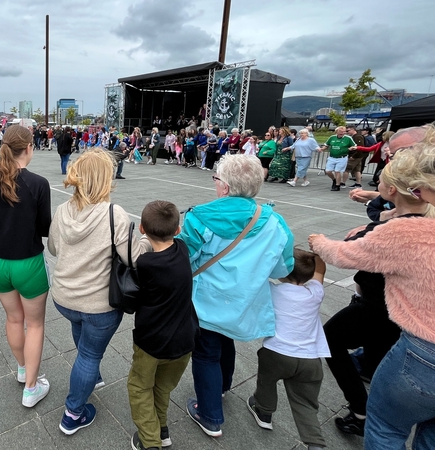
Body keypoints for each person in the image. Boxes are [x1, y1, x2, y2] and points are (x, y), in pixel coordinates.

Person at [309, 145, 435, 450]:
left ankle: (361, 410)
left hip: (404, 325)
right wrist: (377, 215)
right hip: (402, 319)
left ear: (393, 189)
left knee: (330, 339)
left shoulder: (398, 233)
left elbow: (341, 254)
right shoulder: (420, 218)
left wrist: (318, 240)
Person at [179, 154, 295, 438]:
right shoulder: (274, 221)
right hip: (244, 302)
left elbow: (185, 259)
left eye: (217, 178)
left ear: (226, 187)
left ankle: (209, 415)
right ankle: (223, 386)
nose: (216, 183)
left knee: (206, 353)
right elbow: (284, 267)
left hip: (206, 301)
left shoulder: (200, 217)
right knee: (225, 340)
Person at [48, 149, 151, 435]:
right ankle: (73, 413)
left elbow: (53, 248)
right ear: (105, 179)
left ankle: (91, 377)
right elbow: (132, 258)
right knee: (90, 355)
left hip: (65, 298)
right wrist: (144, 238)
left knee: (84, 342)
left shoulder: (63, 209)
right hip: (98, 303)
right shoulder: (113, 213)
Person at [0, 125, 51, 408]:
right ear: (29, 147)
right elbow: (45, 228)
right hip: (29, 263)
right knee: (34, 325)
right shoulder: (38, 183)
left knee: (13, 320)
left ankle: (23, 369)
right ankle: (31, 388)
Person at [127, 201, 198, 450]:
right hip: (184, 341)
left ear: (143, 229)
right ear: (177, 230)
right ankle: (162, 428)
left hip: (152, 343)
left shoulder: (145, 265)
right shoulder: (183, 249)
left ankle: (150, 442)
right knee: (162, 388)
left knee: (139, 387)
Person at [247, 249, 329, 450]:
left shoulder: (273, 290)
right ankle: (315, 443)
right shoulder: (315, 293)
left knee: (266, 381)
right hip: (310, 360)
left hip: (276, 353)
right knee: (306, 404)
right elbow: (320, 272)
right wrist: (317, 253)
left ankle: (264, 412)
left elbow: (256, 273)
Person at [319, 126, 356, 191]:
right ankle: (334, 179)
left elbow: (354, 145)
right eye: (341, 131)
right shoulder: (332, 137)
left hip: (342, 158)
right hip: (332, 157)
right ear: (337, 131)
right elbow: (327, 145)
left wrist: (351, 148)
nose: (342, 133)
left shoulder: (348, 138)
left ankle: (337, 185)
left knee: (337, 171)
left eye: (344, 131)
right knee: (328, 171)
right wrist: (322, 149)